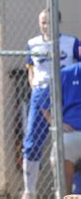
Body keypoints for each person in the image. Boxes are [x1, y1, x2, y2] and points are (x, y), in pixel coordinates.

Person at [22, 9, 80, 198]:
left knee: (69, 140)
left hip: (64, 93)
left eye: (49, 22)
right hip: (41, 93)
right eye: (43, 22)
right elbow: (31, 70)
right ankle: (29, 190)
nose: (45, 26)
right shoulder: (32, 43)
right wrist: (34, 88)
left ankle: (71, 191)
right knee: (32, 142)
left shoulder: (71, 42)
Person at [41, 62, 81, 196]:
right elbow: (44, 101)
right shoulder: (67, 73)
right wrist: (56, 123)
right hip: (72, 132)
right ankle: (65, 195)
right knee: (60, 153)